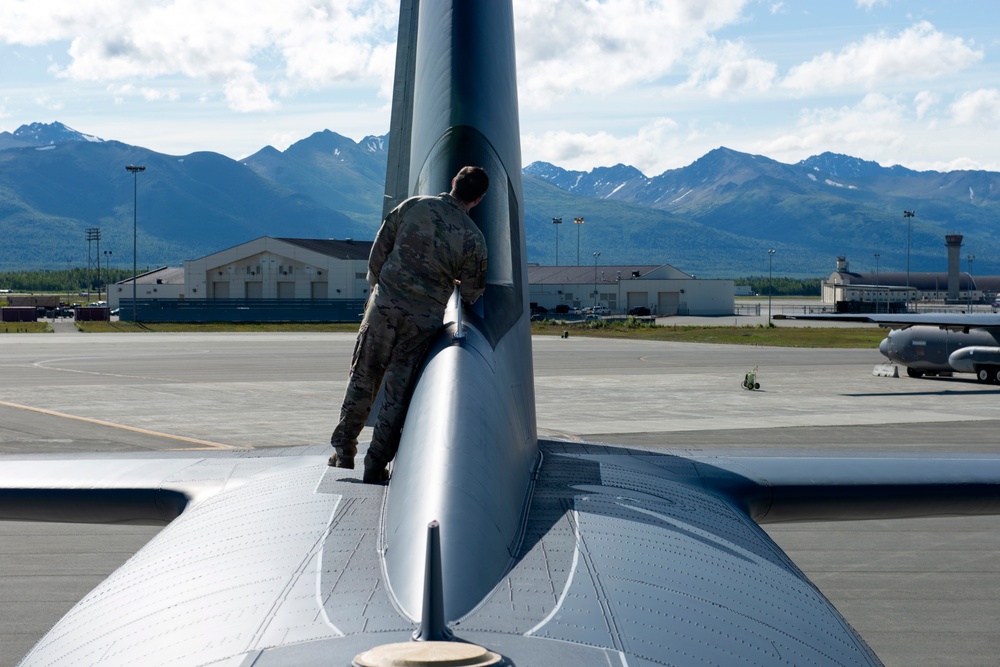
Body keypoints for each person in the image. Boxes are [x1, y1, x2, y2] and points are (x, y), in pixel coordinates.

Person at [329, 166, 490, 483]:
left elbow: (379, 252)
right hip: (422, 322)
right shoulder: (473, 239)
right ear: (479, 199)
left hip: (384, 307)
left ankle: (344, 450)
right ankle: (375, 466)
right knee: (396, 394)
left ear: (453, 183)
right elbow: (471, 292)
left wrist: (379, 290)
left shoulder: (413, 206)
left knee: (363, 377)